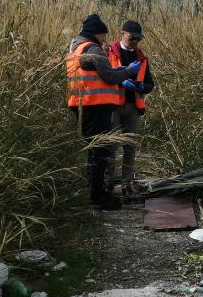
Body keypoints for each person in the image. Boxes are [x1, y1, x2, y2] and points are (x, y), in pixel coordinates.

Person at [66, 13, 141, 210]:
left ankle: (94, 190)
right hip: (95, 106)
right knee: (100, 150)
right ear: (97, 33)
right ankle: (98, 196)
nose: (105, 39)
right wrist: (127, 72)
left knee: (93, 150)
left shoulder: (75, 48)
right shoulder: (92, 49)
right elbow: (108, 76)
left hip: (82, 104)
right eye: (103, 35)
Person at [106, 20, 154, 190]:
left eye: (138, 39)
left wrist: (142, 87)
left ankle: (126, 183)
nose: (134, 41)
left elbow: (150, 84)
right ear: (122, 33)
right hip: (113, 106)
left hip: (133, 107)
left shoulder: (142, 58)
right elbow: (103, 78)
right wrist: (120, 82)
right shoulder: (109, 52)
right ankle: (108, 182)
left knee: (130, 147)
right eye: (132, 38)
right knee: (111, 145)